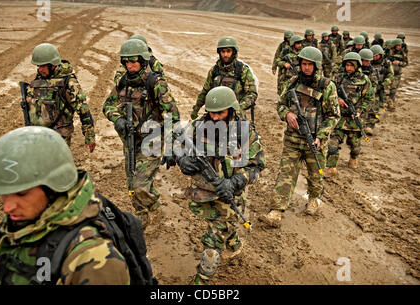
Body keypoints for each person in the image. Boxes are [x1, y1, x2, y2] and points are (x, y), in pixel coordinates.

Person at [0, 126, 130, 285]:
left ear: (54, 187)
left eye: (22, 194)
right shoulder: (9, 231)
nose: (7, 208)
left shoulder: (93, 259)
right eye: (4, 194)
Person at [177, 86, 264, 284]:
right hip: (204, 192)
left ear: (232, 110)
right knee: (223, 226)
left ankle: (201, 281)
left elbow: (257, 166)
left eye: (220, 113)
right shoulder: (199, 125)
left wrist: (235, 182)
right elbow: (179, 145)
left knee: (213, 240)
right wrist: (182, 160)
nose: (215, 118)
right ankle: (234, 245)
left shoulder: (245, 132)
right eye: (212, 113)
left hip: (229, 195)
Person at [103, 39, 180, 227]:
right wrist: (117, 119)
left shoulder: (155, 82)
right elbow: (108, 105)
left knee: (140, 183)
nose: (129, 66)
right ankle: (141, 213)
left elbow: (172, 115)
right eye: (126, 62)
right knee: (131, 183)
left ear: (143, 61)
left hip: (152, 141)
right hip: (131, 140)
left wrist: (170, 148)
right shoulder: (123, 81)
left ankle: (154, 208)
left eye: (133, 61)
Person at [260, 47, 340, 228]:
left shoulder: (327, 86)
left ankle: (314, 199)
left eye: (309, 65)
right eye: (303, 64)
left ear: (316, 66)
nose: (306, 68)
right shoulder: (293, 82)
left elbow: (333, 116)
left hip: (315, 143)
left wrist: (320, 137)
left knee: (316, 175)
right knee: (286, 174)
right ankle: (277, 211)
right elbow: (280, 104)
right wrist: (287, 114)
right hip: (293, 141)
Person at [25, 43, 96, 152]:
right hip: (39, 132)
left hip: (60, 134)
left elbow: (83, 110)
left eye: (43, 66)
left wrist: (89, 136)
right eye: (38, 66)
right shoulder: (39, 78)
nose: (40, 69)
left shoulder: (68, 82)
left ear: (53, 65)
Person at [325, 52, 373, 176]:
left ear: (357, 65)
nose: (349, 68)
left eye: (352, 65)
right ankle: (331, 168)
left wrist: (359, 111)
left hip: (354, 120)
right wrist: (337, 100)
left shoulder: (364, 80)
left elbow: (369, 99)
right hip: (339, 118)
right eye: (347, 65)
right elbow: (329, 93)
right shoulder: (338, 78)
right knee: (332, 144)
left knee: (355, 146)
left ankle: (353, 157)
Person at [191, 36, 258, 121]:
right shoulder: (214, 71)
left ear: (234, 52)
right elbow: (205, 91)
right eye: (223, 51)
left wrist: (239, 108)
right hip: (215, 115)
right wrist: (196, 109)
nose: (225, 55)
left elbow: (252, 93)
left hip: (235, 117)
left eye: (228, 51)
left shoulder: (242, 70)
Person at [370, 44, 394, 120]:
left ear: (381, 54)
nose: (374, 58)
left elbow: (391, 75)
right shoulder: (369, 62)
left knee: (380, 102)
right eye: (373, 56)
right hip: (371, 86)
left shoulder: (386, 63)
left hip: (381, 86)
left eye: (376, 56)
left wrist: (384, 84)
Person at [359, 48, 379, 135]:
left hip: (367, 93)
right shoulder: (355, 69)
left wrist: (368, 92)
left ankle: (369, 126)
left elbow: (374, 84)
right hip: (355, 93)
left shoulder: (372, 71)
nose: (368, 63)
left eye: (369, 61)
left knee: (371, 108)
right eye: (366, 61)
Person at [386, 38, 408, 111]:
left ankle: (390, 104)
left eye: (400, 45)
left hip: (397, 74)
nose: (399, 47)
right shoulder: (389, 52)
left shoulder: (402, 53)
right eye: (398, 45)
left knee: (393, 89)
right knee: (387, 88)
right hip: (389, 73)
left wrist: (399, 63)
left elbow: (406, 63)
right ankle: (388, 102)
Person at [272, 30, 294, 94]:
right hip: (282, 67)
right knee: (280, 82)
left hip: (292, 67)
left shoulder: (295, 45)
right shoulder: (282, 45)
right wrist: (274, 67)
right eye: (288, 38)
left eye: (290, 37)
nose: (289, 39)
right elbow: (277, 56)